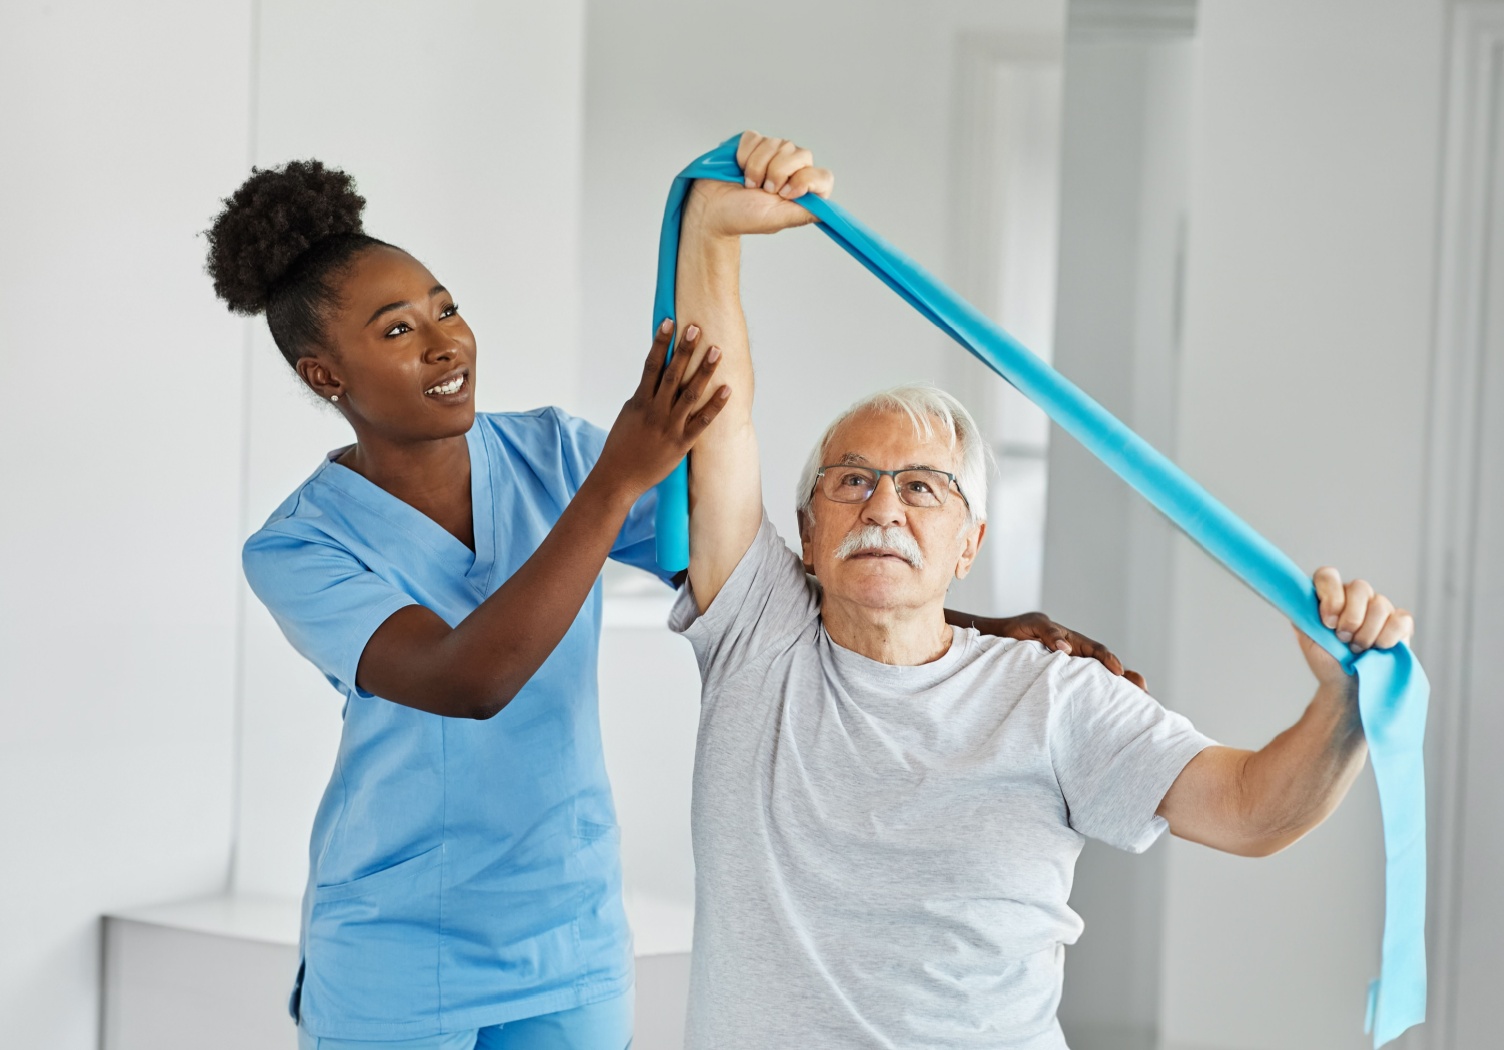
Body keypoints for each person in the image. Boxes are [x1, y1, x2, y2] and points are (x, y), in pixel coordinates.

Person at [204, 149, 1130, 1049]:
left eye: (447, 310)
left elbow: (750, 589)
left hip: (568, 941)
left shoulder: (552, 454)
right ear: (326, 375)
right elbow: (470, 678)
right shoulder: (300, 545)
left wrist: (962, 624)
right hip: (396, 958)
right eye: (397, 329)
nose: (445, 341)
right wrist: (617, 479)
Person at [665, 133, 1417, 1048]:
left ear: (969, 544)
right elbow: (716, 417)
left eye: (924, 485)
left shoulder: (1052, 695)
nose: (885, 507)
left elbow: (1252, 812)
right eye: (850, 480)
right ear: (809, 535)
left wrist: (1344, 704)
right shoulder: (759, 637)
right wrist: (711, 229)